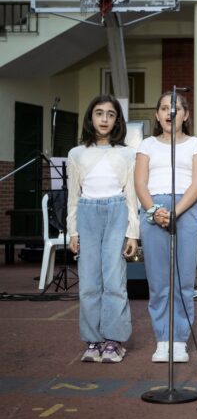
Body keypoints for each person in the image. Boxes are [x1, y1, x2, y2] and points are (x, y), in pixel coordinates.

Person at [135, 92, 197, 363]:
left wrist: (176, 211)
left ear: (185, 115)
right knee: (158, 282)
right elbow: (140, 183)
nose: (170, 113)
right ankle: (162, 339)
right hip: (154, 209)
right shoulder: (147, 145)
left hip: (185, 209)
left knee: (183, 280)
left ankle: (179, 340)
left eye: (175, 108)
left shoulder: (196, 145)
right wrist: (154, 211)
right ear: (157, 115)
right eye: (164, 108)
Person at [67, 95, 139, 363]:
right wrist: (73, 231)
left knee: (114, 280)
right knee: (88, 282)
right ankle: (93, 339)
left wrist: (133, 233)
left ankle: (114, 340)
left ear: (117, 120)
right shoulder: (76, 154)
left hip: (116, 212)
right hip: (87, 214)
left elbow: (131, 196)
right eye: (99, 113)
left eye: (110, 114)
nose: (105, 119)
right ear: (90, 118)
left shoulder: (128, 154)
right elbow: (73, 196)